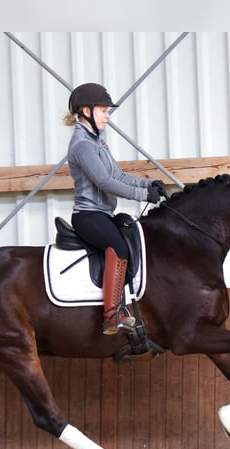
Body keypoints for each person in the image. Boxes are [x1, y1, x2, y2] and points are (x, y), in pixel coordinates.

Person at [63, 82, 166, 335]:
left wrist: (149, 183)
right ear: (86, 111)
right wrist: (143, 195)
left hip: (103, 214)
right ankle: (111, 315)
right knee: (118, 248)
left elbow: (118, 175)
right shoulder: (83, 146)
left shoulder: (97, 141)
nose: (108, 116)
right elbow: (105, 183)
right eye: (103, 111)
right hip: (88, 216)